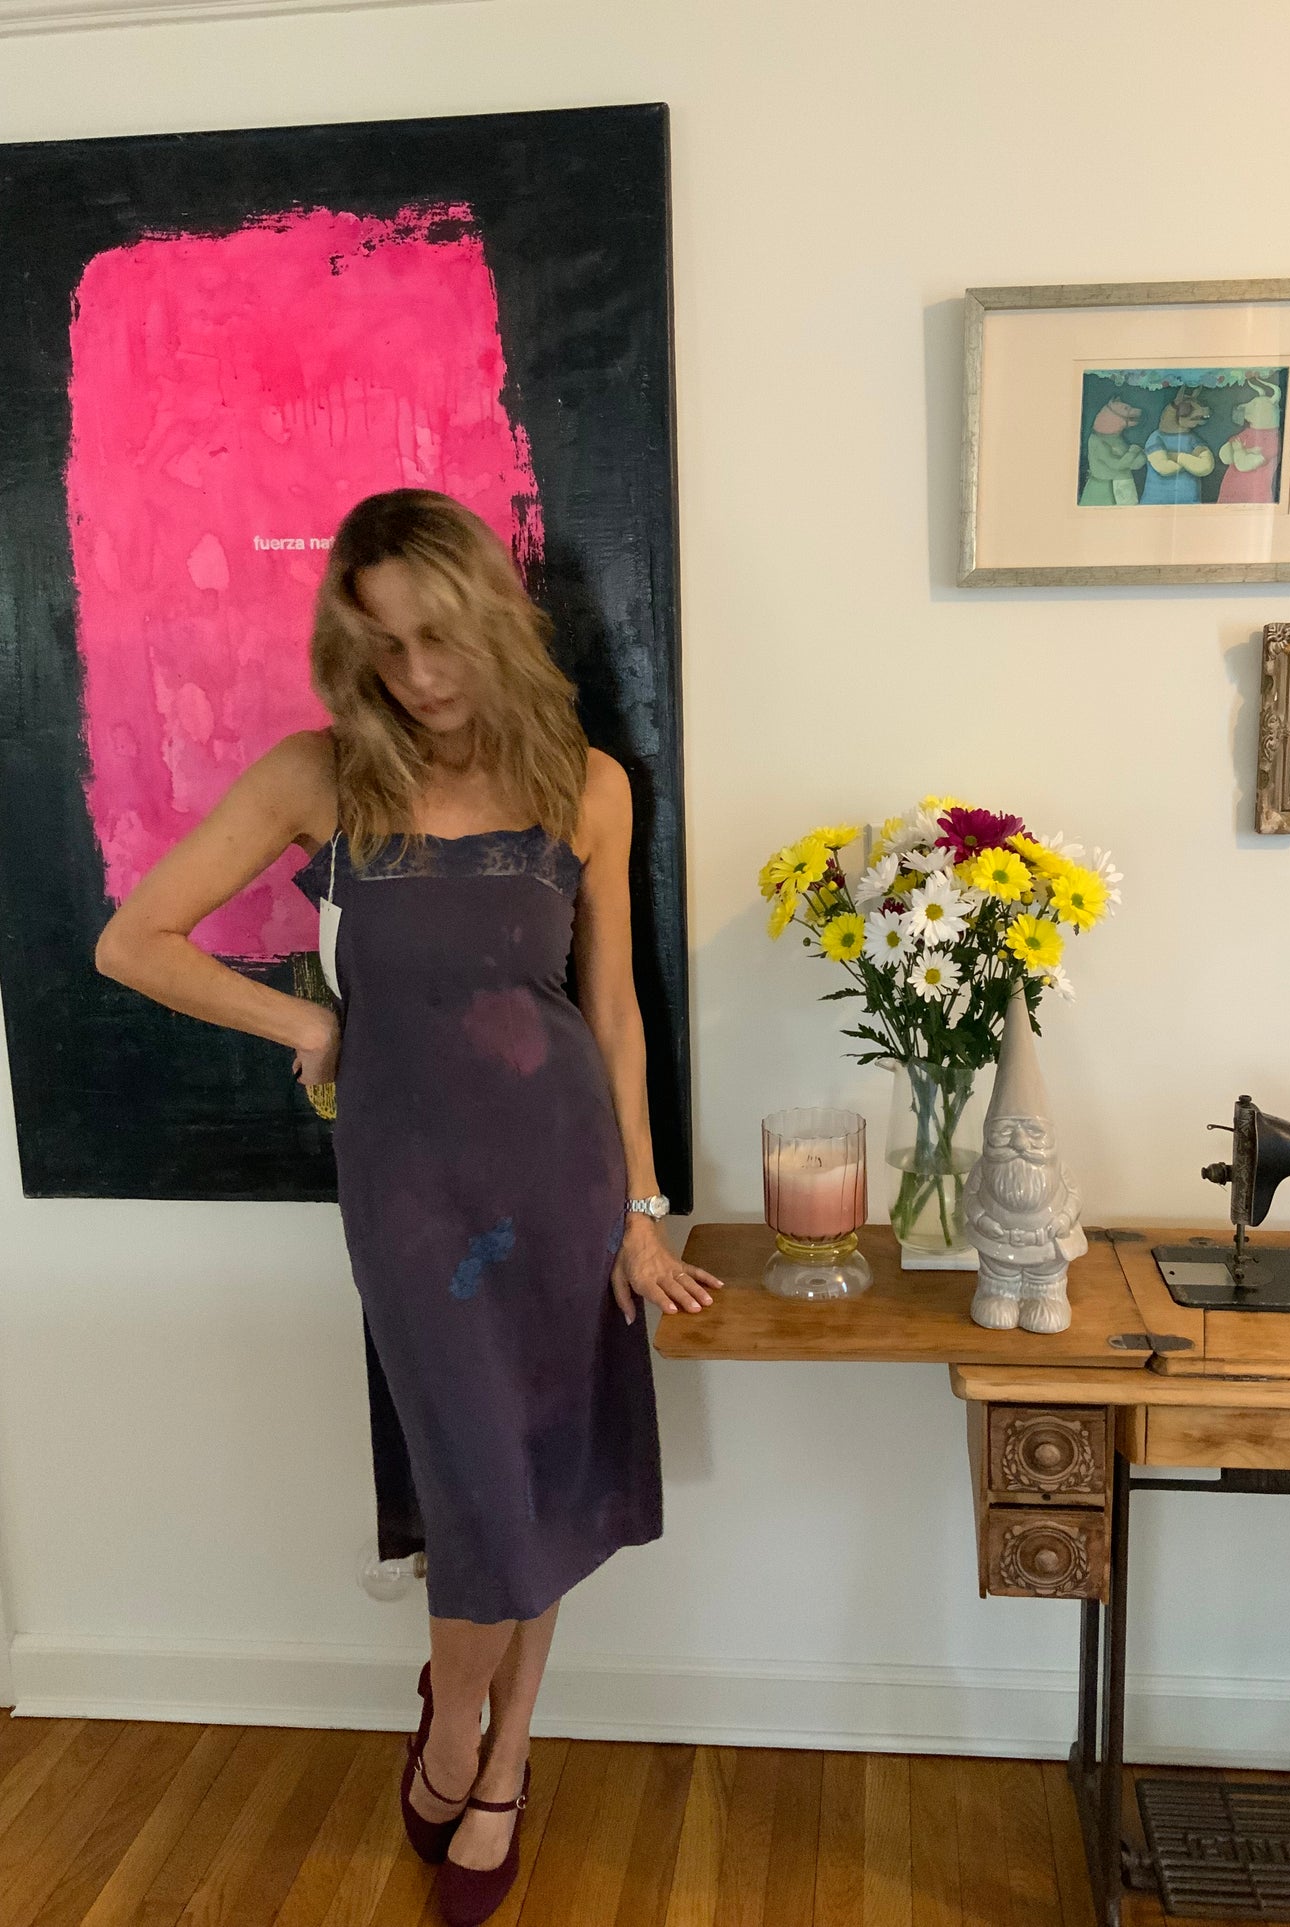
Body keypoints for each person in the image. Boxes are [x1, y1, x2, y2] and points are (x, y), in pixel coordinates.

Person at [94, 487, 724, 1926]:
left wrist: (639, 1210)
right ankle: (451, 1734)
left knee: (543, 1474)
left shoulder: (583, 784)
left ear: (492, 618)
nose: (419, 674)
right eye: (384, 645)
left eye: (439, 636)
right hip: (412, 1192)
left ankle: (498, 1760)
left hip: (562, 1177)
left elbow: (613, 1015)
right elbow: (134, 941)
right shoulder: (320, 777)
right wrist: (307, 1025)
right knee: (479, 1482)